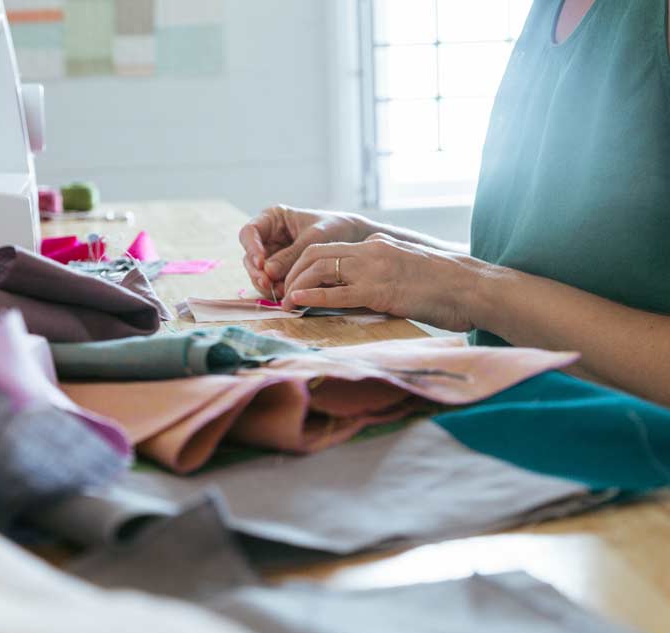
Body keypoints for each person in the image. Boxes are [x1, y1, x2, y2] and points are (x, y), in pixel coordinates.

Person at [241, 0, 670, 407]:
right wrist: (370, 242)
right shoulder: (550, 11)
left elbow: (489, 288)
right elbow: (540, 273)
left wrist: (466, 288)